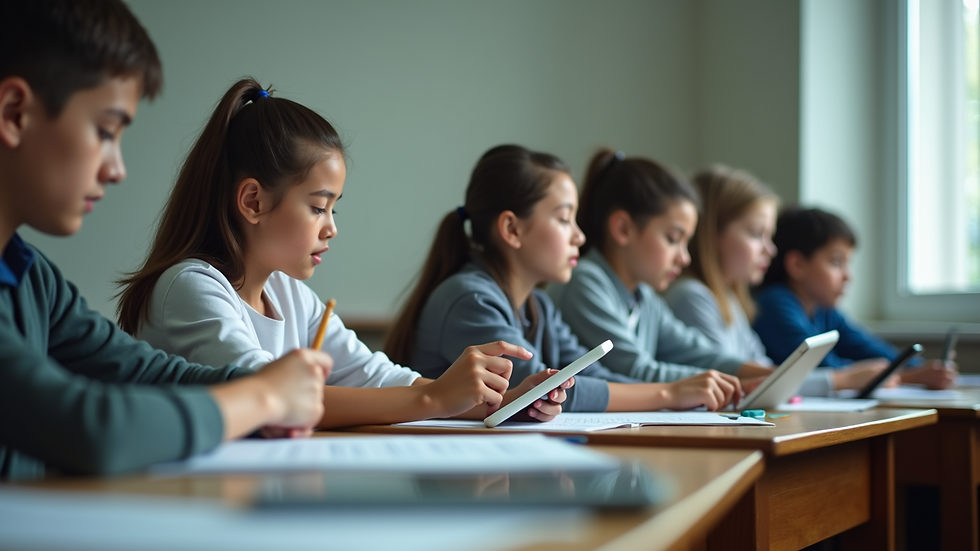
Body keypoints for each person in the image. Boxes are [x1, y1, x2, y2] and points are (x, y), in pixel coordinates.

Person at [0, 0, 328, 480]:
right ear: (14, 113)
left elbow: (145, 372)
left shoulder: (33, 278)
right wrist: (264, 397)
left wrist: (263, 385)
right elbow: (93, 427)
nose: (117, 169)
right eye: (105, 131)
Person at [117, 81, 567, 429]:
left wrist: (503, 403)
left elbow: (375, 376)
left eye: (333, 209)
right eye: (318, 207)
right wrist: (433, 398)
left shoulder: (288, 293)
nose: (331, 227)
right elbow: (267, 395)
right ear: (253, 201)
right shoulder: (191, 287)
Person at [385, 145, 747, 413]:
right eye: (563, 219)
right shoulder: (470, 300)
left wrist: (676, 393)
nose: (579, 236)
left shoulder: (539, 306)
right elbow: (539, 389)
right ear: (512, 229)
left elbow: (592, 375)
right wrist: (669, 394)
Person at [548, 151, 773, 390]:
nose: (684, 258)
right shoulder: (585, 282)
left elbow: (697, 352)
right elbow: (634, 371)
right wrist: (717, 383)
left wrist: (767, 374)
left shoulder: (645, 297)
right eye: (673, 239)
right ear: (623, 229)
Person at [664, 166, 887, 394]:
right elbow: (730, 377)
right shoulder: (691, 296)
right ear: (711, 234)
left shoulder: (729, 301)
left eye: (768, 236)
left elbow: (764, 370)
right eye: (755, 234)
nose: (770, 250)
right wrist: (843, 380)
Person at [753, 207, 957, 389]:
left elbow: (868, 347)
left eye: (847, 263)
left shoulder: (824, 311)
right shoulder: (773, 304)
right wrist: (908, 377)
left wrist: (923, 368)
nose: (848, 276)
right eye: (836, 262)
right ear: (797, 265)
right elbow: (823, 370)